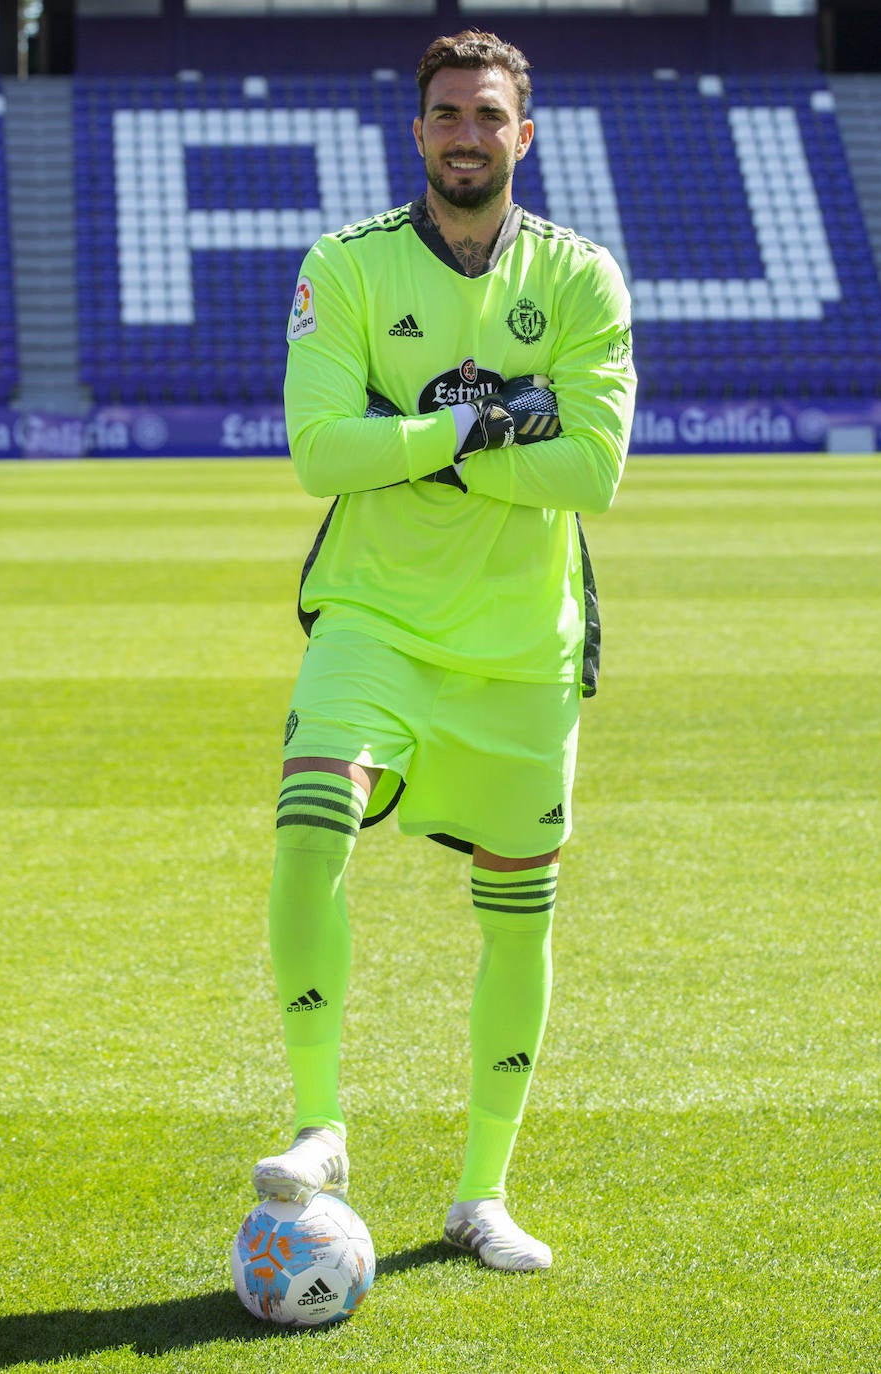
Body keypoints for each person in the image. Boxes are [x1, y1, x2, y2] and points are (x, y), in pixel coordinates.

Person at [253, 29, 636, 1272]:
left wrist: (408, 434)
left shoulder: (580, 277)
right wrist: (472, 422)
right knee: (310, 826)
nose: (466, 134)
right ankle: (320, 1128)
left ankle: (483, 1194)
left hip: (524, 649)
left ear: (523, 135)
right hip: (374, 618)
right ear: (415, 133)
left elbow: (595, 471)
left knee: (516, 919)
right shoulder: (346, 267)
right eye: (445, 115)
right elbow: (321, 451)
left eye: (488, 115)